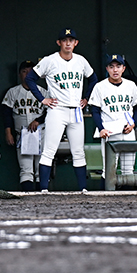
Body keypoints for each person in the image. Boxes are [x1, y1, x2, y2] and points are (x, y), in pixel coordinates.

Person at [25, 27, 97, 193]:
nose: (68, 43)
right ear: (59, 42)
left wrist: (86, 98)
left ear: (76, 43)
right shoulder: (50, 60)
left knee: (78, 151)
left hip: (76, 110)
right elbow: (30, 78)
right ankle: (43, 189)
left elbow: (93, 79)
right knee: (49, 149)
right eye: (64, 40)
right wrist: (43, 99)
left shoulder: (81, 61)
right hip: (57, 110)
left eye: (71, 40)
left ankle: (83, 189)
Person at [88, 54, 137, 179]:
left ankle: (129, 198)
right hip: (109, 131)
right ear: (107, 69)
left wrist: (133, 123)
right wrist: (101, 129)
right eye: (111, 66)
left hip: (128, 131)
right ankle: (105, 198)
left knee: (128, 170)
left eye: (118, 66)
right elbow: (95, 110)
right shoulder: (100, 87)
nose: (115, 70)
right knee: (108, 170)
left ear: (123, 68)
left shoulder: (131, 85)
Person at [1, 60, 47, 191]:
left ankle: (42, 197)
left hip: (41, 133)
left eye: (30, 71)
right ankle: (27, 197)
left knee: (41, 166)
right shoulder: (13, 92)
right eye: (24, 71)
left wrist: (38, 120)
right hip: (22, 134)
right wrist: (8, 132)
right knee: (25, 167)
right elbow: (6, 113)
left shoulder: (43, 92)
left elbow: (51, 111)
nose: (27, 74)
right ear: (20, 74)